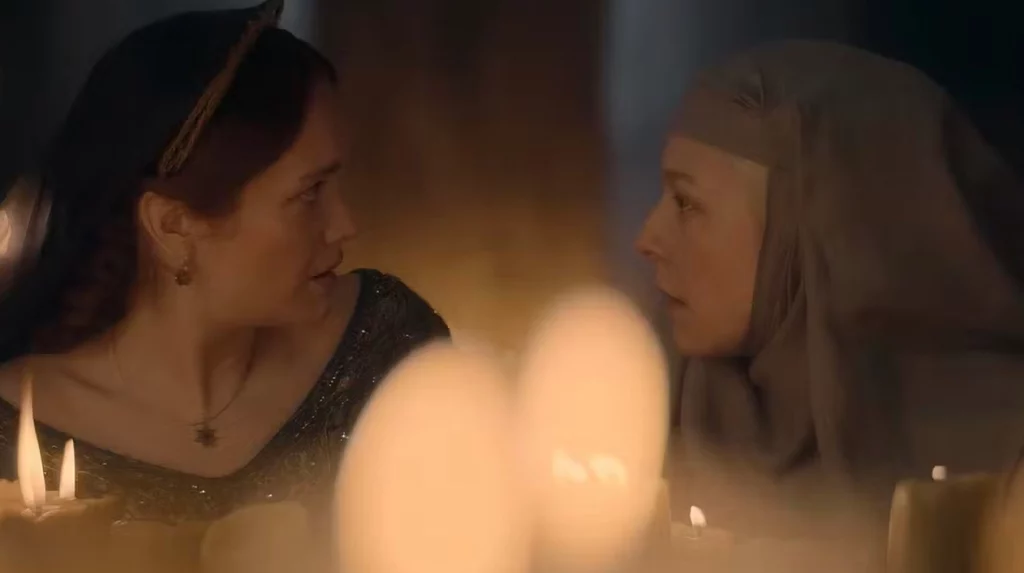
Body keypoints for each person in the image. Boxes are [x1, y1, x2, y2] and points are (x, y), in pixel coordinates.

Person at [0, 0, 449, 524]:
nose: (344, 224)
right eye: (309, 194)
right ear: (173, 227)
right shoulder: (18, 430)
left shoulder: (384, 351)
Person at [635, 40, 1024, 564]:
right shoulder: (648, 415)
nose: (647, 237)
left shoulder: (1004, 478)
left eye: (686, 202)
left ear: (817, 227)